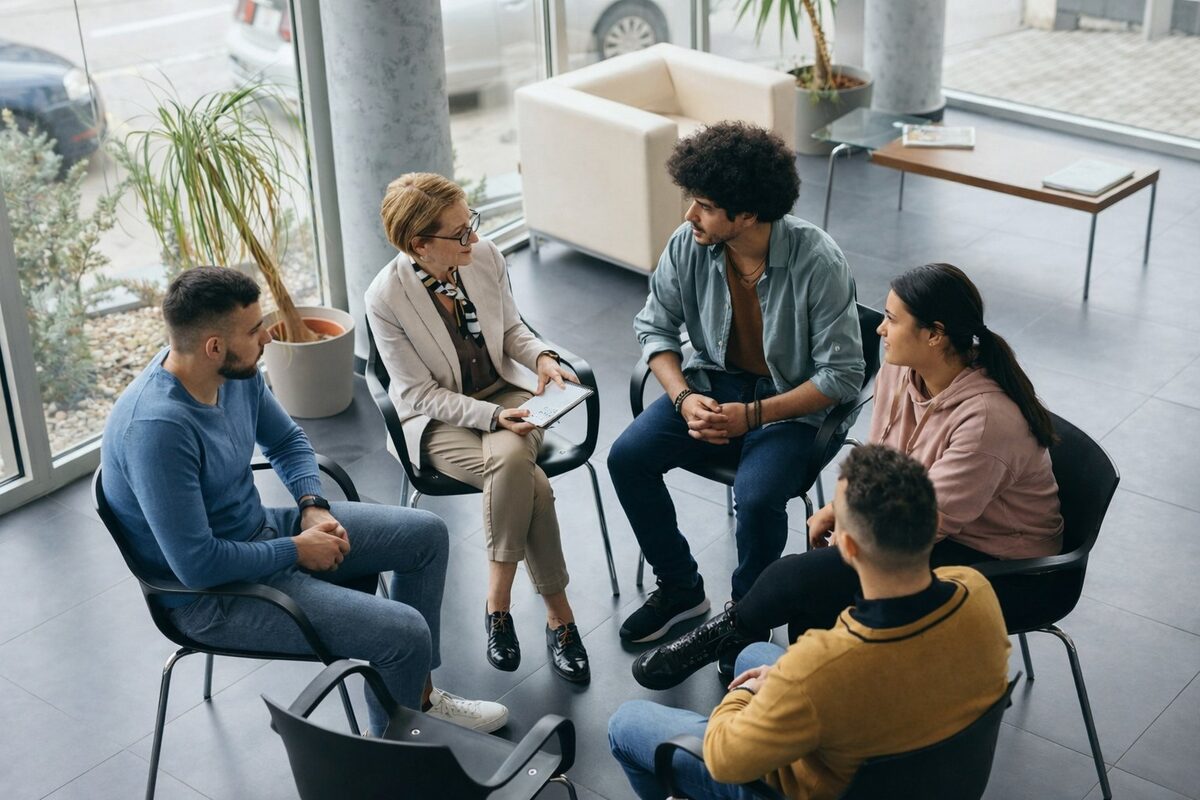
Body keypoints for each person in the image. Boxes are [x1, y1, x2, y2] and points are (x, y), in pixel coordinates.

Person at [101, 267, 508, 735]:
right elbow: (197, 566)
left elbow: (288, 442)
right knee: (404, 632)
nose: (268, 338)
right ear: (214, 346)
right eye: (255, 331)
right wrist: (297, 549)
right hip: (213, 598)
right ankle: (396, 762)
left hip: (262, 532)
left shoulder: (231, 372)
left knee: (426, 535)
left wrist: (312, 504)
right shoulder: (156, 432)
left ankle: (416, 699)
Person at [633, 262, 1062, 691]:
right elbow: (877, 459)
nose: (880, 329)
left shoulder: (986, 419)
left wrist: (854, 534)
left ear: (934, 333)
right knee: (813, 591)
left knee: (806, 579)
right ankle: (813, 697)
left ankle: (730, 639)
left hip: (1002, 568)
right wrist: (841, 507)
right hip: (931, 525)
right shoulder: (902, 367)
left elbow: (929, 524)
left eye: (892, 320)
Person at [609, 444, 1012, 800]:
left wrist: (750, 697)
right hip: (935, 775)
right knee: (753, 652)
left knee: (626, 724)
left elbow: (724, 758)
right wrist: (787, 681)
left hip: (806, 788)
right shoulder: (976, 591)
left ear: (847, 547)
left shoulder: (820, 667)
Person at [608, 121, 865, 645]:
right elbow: (654, 327)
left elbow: (842, 375)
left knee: (756, 498)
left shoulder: (818, 260)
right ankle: (681, 587)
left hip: (791, 407)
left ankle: (745, 620)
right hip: (712, 385)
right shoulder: (689, 244)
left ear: (746, 214)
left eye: (702, 204)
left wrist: (752, 416)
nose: (688, 215)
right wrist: (682, 398)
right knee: (626, 457)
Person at [365, 173, 589, 682]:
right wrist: (491, 417)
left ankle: (498, 607)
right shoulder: (385, 297)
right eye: (460, 232)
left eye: (472, 224)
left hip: (506, 390)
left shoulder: (484, 257)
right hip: (438, 418)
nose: (474, 238)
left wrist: (545, 359)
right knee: (526, 476)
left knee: (513, 460)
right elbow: (418, 393)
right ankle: (558, 616)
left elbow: (512, 331)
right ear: (420, 245)